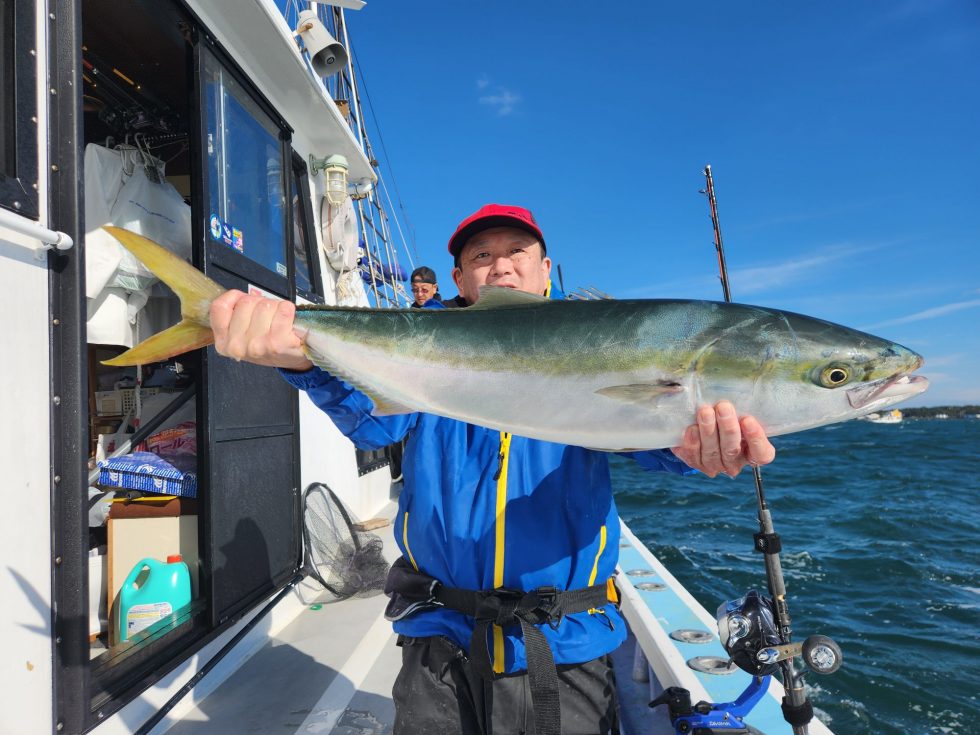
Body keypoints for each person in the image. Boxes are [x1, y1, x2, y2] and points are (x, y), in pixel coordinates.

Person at [209, 203, 776, 735]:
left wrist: (698, 449)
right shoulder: (422, 356)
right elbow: (374, 425)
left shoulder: (602, 349)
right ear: (460, 280)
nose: (500, 265)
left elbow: (652, 446)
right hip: (439, 640)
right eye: (481, 256)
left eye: (516, 252)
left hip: (561, 641)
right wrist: (304, 363)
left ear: (545, 270)